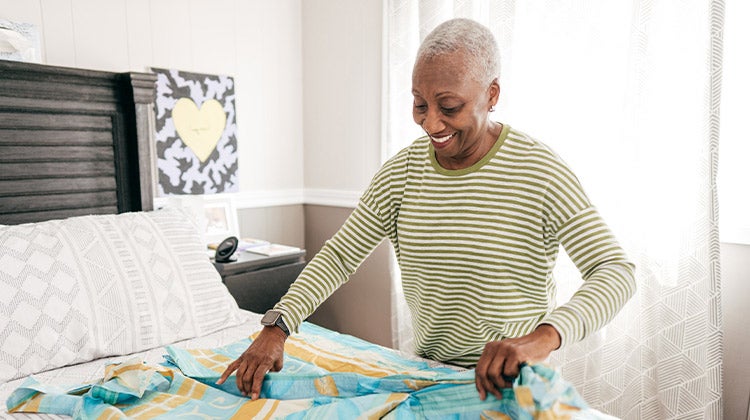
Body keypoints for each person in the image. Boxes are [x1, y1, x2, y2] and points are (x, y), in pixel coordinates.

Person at [217, 17, 636, 402]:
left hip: (512, 385)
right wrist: (277, 326)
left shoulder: (540, 171)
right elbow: (340, 256)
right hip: (429, 374)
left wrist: (542, 338)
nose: (431, 123)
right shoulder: (402, 171)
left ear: (491, 95)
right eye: (420, 104)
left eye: (449, 107)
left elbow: (615, 272)